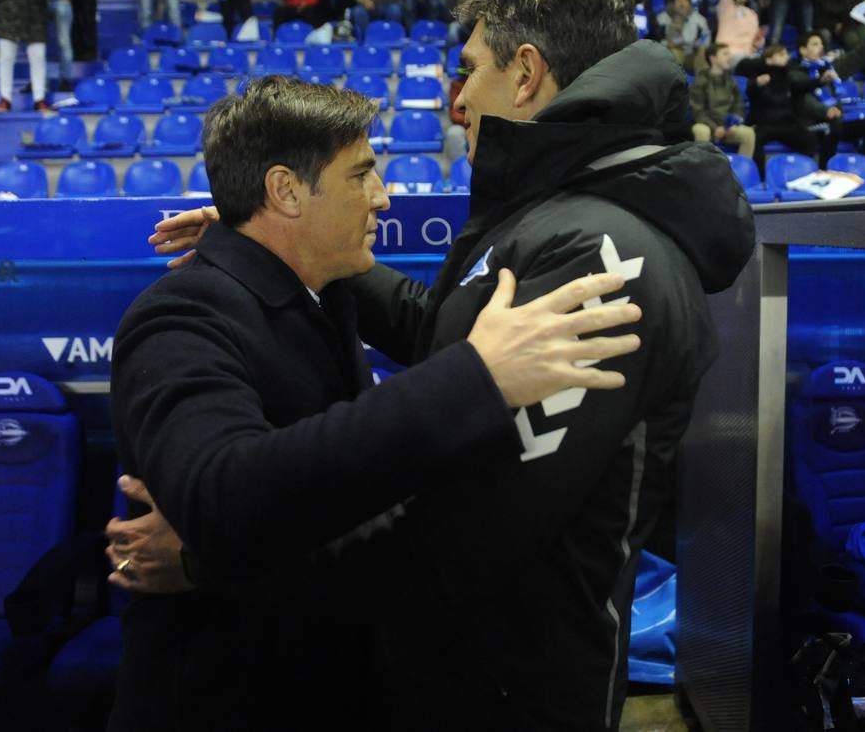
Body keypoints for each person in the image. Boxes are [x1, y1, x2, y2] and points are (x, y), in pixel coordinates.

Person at [114, 0, 756, 731]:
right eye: (360, 179)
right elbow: (455, 343)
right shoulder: (558, 217)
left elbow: (457, 541)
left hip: (509, 688)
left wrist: (209, 563)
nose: (456, 102)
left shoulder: (598, 255)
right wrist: (270, 241)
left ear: (525, 75)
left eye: (469, 71)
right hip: (435, 675)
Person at [107, 72, 649, 730]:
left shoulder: (320, 290)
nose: (383, 199)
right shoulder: (181, 315)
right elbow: (224, 496)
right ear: (285, 191)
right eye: (361, 175)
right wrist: (479, 377)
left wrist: (249, 232)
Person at [794, 28, 865, 167]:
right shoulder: (795, 71)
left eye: (821, 44)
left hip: (835, 122)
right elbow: (803, 100)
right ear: (803, 50)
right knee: (833, 126)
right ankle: (825, 172)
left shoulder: (829, 68)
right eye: (815, 44)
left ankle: (863, 167)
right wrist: (825, 111)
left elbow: (859, 54)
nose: (820, 47)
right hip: (810, 125)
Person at [736, 43, 820, 164]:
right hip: (762, 124)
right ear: (769, 59)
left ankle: (802, 174)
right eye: (781, 54)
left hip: (785, 123)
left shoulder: (788, 76)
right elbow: (751, 92)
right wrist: (756, 84)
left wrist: (820, 81)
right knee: (754, 140)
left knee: (809, 139)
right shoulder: (758, 75)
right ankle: (761, 179)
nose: (786, 57)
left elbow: (803, 86)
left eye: (786, 54)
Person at [690, 41, 756, 158]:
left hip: (727, 127)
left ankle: (740, 172)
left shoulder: (731, 81)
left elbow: (738, 105)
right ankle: (701, 171)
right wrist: (715, 128)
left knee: (748, 134)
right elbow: (698, 111)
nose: (729, 57)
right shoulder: (700, 81)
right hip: (706, 125)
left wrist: (733, 124)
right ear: (713, 58)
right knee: (701, 131)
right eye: (725, 54)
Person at [656, 0, 709, 71]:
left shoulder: (698, 19)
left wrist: (697, 44)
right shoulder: (663, 18)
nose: (682, 2)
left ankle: (701, 80)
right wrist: (669, 44)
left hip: (690, 54)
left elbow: (706, 38)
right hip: (669, 54)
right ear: (672, 3)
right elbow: (658, 41)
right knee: (674, 52)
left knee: (702, 51)